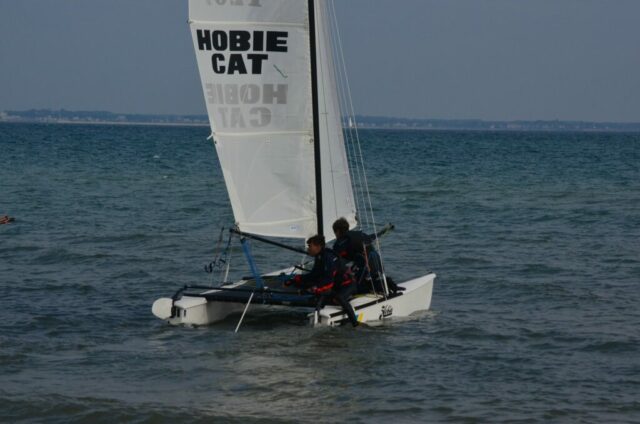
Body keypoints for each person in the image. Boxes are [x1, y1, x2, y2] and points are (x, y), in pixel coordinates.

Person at [285, 234, 359, 327]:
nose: (308, 249)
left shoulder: (328, 257)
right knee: (308, 286)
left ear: (318, 246)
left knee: (339, 298)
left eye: (310, 246)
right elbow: (313, 275)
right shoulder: (319, 257)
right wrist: (296, 279)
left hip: (348, 284)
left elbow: (328, 281)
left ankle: (355, 324)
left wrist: (314, 289)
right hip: (335, 285)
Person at [331, 217, 404, 294]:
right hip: (377, 266)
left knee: (357, 287)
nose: (335, 236)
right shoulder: (360, 234)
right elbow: (373, 236)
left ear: (338, 231)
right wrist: (384, 230)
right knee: (360, 276)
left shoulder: (340, 243)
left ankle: (387, 283)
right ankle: (387, 282)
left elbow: (335, 261)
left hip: (367, 269)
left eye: (335, 233)